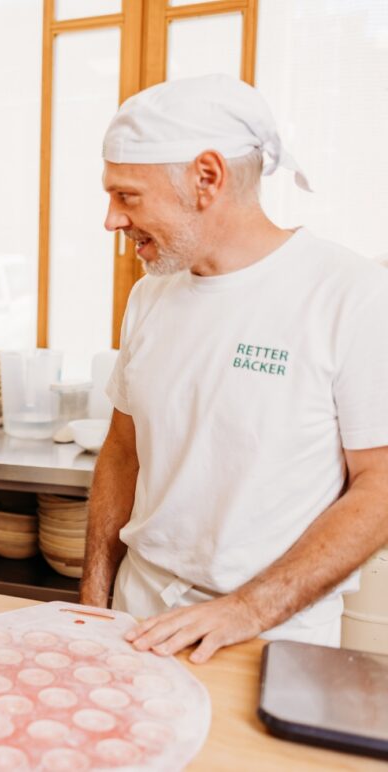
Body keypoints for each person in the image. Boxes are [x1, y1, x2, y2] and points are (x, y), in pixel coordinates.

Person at [80, 74, 388, 662]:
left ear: (207, 178)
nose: (111, 220)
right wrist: (95, 594)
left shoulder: (352, 296)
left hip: (271, 634)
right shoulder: (150, 296)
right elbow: (123, 450)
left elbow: (381, 486)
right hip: (134, 614)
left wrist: (246, 609)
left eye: (127, 196)